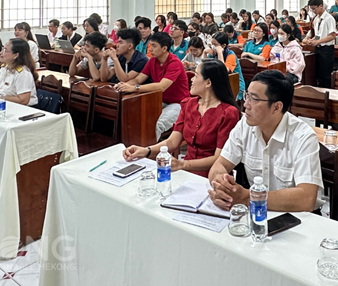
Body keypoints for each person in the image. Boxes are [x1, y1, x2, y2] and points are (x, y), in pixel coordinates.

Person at [207, 70, 322, 212]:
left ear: (276, 107)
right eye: (247, 96)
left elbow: (306, 199)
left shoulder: (303, 137)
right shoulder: (245, 125)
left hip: (296, 217)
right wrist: (221, 185)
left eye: (254, 99)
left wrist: (248, 197)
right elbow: (219, 165)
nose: (246, 104)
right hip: (258, 213)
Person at [123, 60, 240, 177]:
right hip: (186, 172)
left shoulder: (228, 113)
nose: (191, 80)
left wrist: (183, 164)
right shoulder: (189, 104)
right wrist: (146, 151)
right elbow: (172, 142)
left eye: (195, 76)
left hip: (213, 176)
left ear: (208, 82)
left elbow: (219, 158)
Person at [116, 32, 191, 139]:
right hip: (160, 100)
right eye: (150, 45)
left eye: (154, 46)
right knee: (137, 117)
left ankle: (149, 148)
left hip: (179, 104)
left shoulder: (174, 63)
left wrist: (134, 88)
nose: (150, 49)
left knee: (156, 124)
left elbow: (161, 87)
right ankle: (134, 144)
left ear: (164, 48)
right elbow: (138, 79)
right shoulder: (152, 61)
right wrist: (123, 85)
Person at [0, 38, 38, 106]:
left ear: (15, 55)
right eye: (2, 49)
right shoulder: (4, 69)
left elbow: (23, 100)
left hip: (23, 109)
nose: (1, 52)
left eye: (5, 50)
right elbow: (0, 89)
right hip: (6, 104)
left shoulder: (23, 73)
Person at [303, 0, 337, 87]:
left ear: (321, 6)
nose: (313, 11)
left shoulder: (329, 18)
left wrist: (318, 42)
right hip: (318, 49)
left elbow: (332, 36)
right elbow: (318, 35)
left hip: (327, 49)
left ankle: (327, 92)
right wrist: (312, 40)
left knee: (326, 74)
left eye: (314, 8)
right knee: (318, 73)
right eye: (311, 9)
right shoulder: (316, 19)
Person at [207, 32, 245, 99]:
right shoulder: (213, 53)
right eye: (212, 44)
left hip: (235, 86)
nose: (213, 47)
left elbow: (223, 71)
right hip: (220, 84)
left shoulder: (231, 55)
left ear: (223, 45)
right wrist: (205, 53)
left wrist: (220, 53)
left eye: (215, 45)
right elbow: (205, 68)